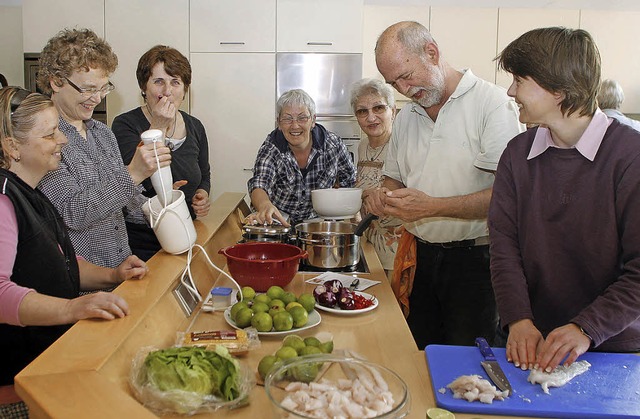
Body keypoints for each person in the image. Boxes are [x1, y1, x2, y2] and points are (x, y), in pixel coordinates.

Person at [364, 21, 524, 349]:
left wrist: (432, 206)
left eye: (406, 77)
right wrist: (382, 196)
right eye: (394, 83)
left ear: (432, 53)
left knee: (470, 368)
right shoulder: (408, 117)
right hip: (421, 257)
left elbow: (507, 197)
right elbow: (393, 180)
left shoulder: (492, 104)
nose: (404, 90)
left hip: (476, 263)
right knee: (422, 353)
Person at [489, 27, 640, 373]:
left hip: (614, 350)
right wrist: (518, 319)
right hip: (532, 339)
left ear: (558, 89)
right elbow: (504, 247)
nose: (511, 91)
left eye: (519, 79)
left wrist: (586, 328)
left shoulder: (630, 157)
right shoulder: (517, 153)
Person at [0, 87, 148, 418]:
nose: (62, 140)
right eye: (50, 134)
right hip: (17, 385)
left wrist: (113, 274)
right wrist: (73, 307)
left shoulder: (34, 193)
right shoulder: (4, 200)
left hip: (50, 362)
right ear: (13, 146)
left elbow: (61, 264)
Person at [36, 28, 171, 269]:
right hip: (83, 284)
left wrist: (162, 207)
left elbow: (126, 203)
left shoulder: (102, 133)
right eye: (87, 89)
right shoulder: (46, 140)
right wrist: (134, 173)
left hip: (121, 267)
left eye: (103, 88)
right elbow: (72, 212)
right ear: (56, 82)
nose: (97, 99)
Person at [113, 45, 211, 261]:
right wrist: (158, 126)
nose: (167, 90)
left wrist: (202, 193)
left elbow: (204, 174)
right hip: (142, 242)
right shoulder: (124, 125)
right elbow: (136, 179)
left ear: (184, 90)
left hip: (186, 229)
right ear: (143, 87)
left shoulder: (195, 126)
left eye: (175, 82)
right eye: (159, 81)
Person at [246, 88, 356, 226]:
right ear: (279, 123)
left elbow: (350, 181)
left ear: (313, 120)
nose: (295, 125)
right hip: (279, 220)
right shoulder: (271, 148)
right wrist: (264, 205)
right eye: (287, 119)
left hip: (318, 222)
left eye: (302, 117)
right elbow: (259, 184)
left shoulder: (333, 145)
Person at [350, 78, 403, 280]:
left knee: (391, 308)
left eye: (378, 108)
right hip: (368, 244)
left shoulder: (402, 146)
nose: (371, 117)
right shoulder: (362, 146)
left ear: (393, 110)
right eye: (362, 111)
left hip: (395, 251)